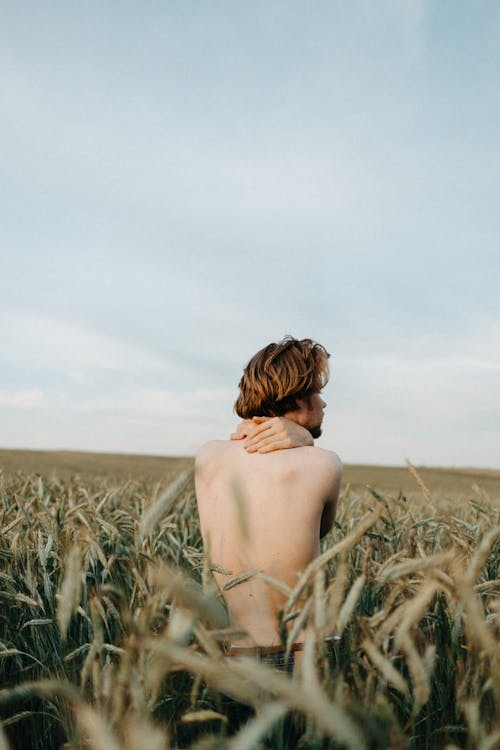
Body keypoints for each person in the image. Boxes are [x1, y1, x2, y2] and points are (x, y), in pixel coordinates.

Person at [194, 336, 342, 665]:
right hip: (307, 652)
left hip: (237, 659)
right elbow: (313, 531)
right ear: (297, 397)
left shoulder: (207, 457)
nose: (324, 404)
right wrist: (306, 443)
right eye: (317, 392)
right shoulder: (325, 464)